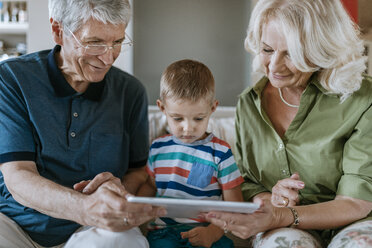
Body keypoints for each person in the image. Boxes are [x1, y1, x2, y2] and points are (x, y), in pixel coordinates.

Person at [204, 0, 372, 247]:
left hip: (354, 222)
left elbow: (357, 201)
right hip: (280, 224)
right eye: (267, 49)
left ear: (322, 50)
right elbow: (248, 183)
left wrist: (284, 215)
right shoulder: (250, 104)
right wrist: (270, 199)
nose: (274, 66)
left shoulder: (362, 100)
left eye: (291, 54)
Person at [0, 0, 165, 247]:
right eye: (95, 42)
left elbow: (137, 171)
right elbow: (18, 176)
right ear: (58, 30)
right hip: (15, 225)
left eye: (117, 42)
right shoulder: (12, 79)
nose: (109, 58)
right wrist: (85, 207)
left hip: (91, 228)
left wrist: (119, 191)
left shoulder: (131, 92)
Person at [137, 59, 244, 248]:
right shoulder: (157, 148)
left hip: (210, 231)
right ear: (162, 108)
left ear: (212, 108)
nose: (188, 128)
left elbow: (234, 206)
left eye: (198, 118)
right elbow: (150, 185)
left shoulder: (221, 153)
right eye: (177, 118)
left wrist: (212, 232)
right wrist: (136, 210)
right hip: (164, 233)